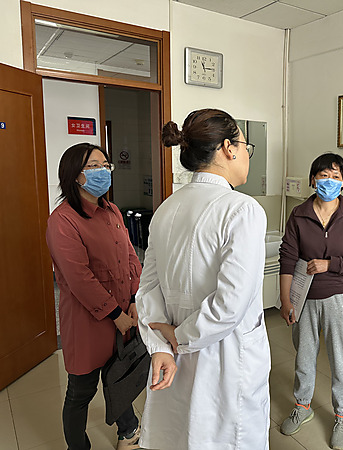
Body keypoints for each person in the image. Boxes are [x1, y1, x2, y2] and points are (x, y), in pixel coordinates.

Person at [135, 109, 270, 450]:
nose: (246, 155)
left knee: (182, 434)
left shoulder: (166, 208)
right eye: (245, 146)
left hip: (174, 355)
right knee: (224, 437)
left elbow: (147, 289)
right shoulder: (242, 209)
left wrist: (161, 345)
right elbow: (230, 305)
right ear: (228, 148)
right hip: (226, 358)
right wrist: (179, 338)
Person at [46, 143, 142, 450]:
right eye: (93, 166)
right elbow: (79, 277)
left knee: (119, 378)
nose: (103, 172)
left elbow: (130, 257)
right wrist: (116, 315)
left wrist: (135, 299)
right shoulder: (63, 220)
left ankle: (128, 431)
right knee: (81, 392)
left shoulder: (112, 210)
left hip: (124, 312)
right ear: (75, 175)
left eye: (105, 165)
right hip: (88, 321)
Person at [279, 153, 343, 450]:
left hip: (339, 297)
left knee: (340, 359)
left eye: (335, 177)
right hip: (304, 296)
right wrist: (285, 299)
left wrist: (330, 264)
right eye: (323, 176)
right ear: (312, 179)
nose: (329, 182)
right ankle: (302, 406)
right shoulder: (299, 214)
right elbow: (287, 257)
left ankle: (342, 416)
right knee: (304, 356)